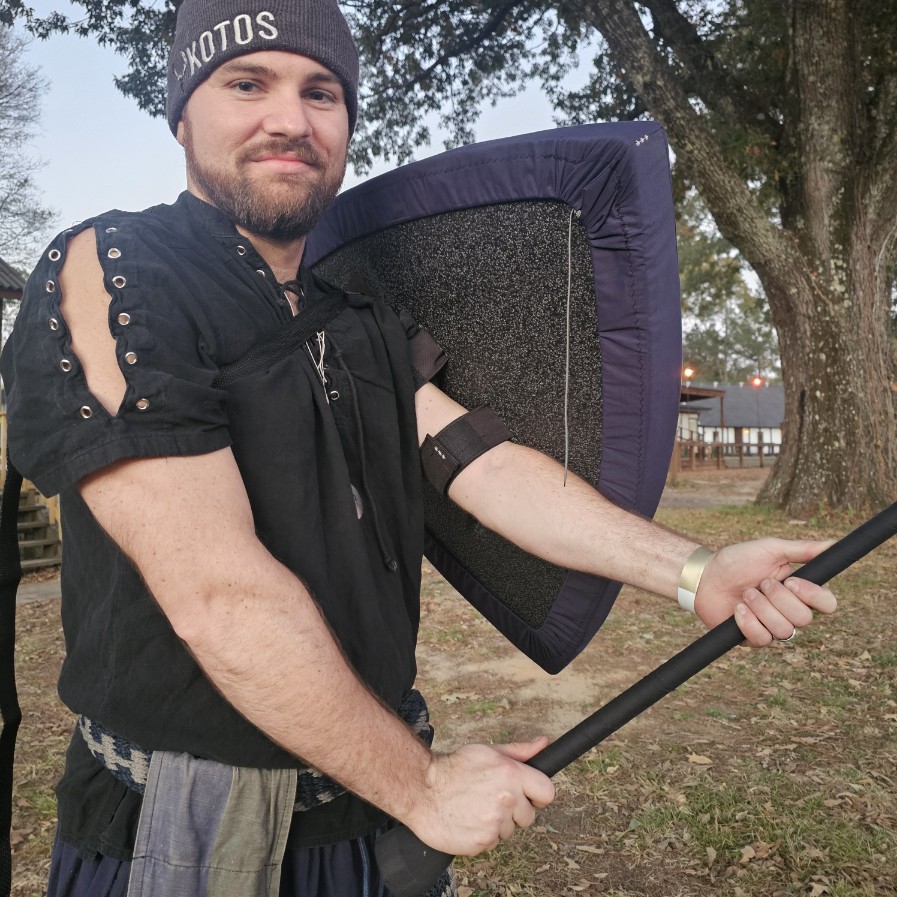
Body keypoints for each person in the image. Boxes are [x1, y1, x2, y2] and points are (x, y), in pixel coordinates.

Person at [0, 1, 837, 895]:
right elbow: (216, 592)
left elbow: (485, 468)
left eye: (321, 93)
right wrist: (424, 787)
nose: (289, 119)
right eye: (246, 84)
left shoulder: (356, 317)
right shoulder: (117, 269)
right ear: (182, 115)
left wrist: (695, 572)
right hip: (190, 822)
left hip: (367, 801)